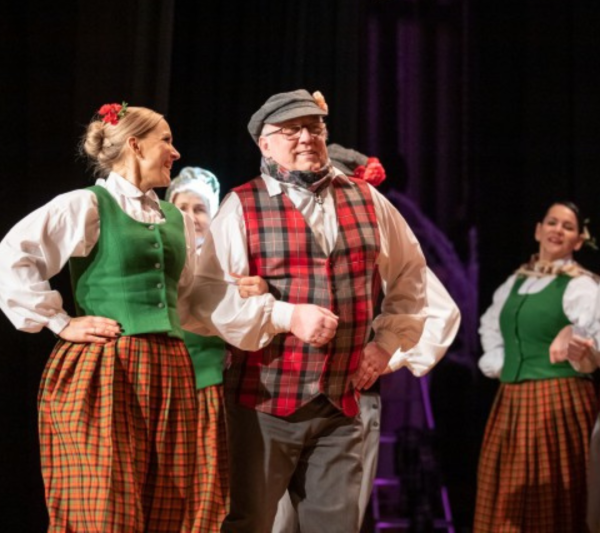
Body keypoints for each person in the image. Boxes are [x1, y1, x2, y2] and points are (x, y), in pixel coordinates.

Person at [191, 89, 428, 533]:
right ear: (265, 144)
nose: (306, 138)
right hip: (264, 402)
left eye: (314, 128)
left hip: (339, 404)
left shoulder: (366, 198)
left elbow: (411, 272)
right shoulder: (243, 204)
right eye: (291, 130)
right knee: (252, 523)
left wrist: (386, 343)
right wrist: (285, 316)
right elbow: (206, 297)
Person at [0, 103, 200, 532]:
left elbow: (190, 295)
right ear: (135, 145)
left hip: (170, 369)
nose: (175, 152)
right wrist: (60, 322)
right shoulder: (87, 204)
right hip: (108, 366)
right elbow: (12, 255)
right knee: (104, 507)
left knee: (167, 505)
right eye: (166, 140)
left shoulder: (176, 219)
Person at [271, 143, 461, 533]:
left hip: (352, 399)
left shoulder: (375, 239)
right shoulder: (283, 234)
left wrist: (385, 355)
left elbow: (440, 310)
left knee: (334, 521)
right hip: (284, 394)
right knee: (277, 521)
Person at [473, 201, 600, 533]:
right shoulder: (516, 281)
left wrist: (576, 341)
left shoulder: (581, 285)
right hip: (511, 401)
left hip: (559, 397)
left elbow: (594, 334)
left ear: (578, 241)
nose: (558, 230)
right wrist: (499, 362)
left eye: (568, 227)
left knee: (552, 496)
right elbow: (490, 326)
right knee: (506, 496)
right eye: (552, 222)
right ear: (538, 230)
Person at [166, 166, 266, 533]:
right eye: (182, 208)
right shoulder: (162, 261)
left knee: (210, 490)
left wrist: (258, 291)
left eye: (200, 209)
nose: (190, 217)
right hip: (165, 387)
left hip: (211, 388)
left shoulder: (229, 265)